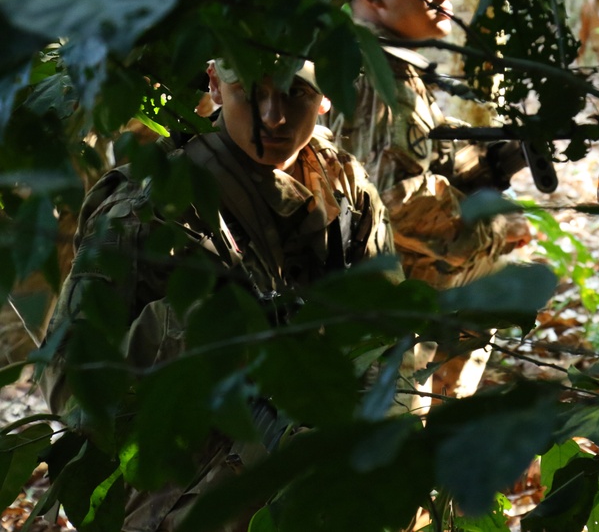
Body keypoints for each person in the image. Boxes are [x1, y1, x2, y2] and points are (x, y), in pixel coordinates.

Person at [41, 57, 395, 531]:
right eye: (251, 91)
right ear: (214, 83)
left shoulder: (345, 186)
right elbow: (69, 383)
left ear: (327, 95)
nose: (273, 116)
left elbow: (391, 337)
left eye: (296, 93)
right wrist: (187, 337)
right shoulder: (148, 207)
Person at [342, 0, 531, 290]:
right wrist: (497, 230)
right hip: (374, 291)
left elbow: (419, 153)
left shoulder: (384, 66)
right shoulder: (374, 76)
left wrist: (491, 162)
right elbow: (393, 200)